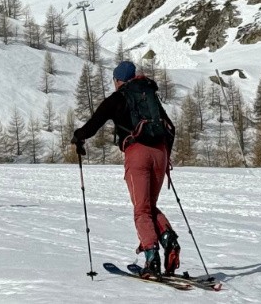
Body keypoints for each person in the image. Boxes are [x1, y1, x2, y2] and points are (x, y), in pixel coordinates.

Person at [72, 60, 180, 278]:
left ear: (117, 80)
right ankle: (169, 240)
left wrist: (78, 137)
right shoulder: (149, 96)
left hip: (137, 153)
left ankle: (151, 257)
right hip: (160, 153)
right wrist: (165, 156)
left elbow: (94, 124)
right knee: (149, 206)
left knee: (141, 209)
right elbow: (170, 127)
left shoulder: (117, 98)